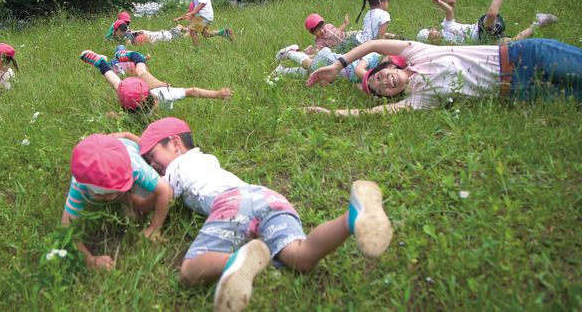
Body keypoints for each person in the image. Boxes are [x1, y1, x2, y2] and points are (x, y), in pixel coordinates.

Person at [138, 117, 393, 311]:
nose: (153, 167)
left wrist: (141, 209)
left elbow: (163, 195)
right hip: (265, 195)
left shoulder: (176, 167)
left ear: (175, 144)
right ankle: (352, 218)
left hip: (232, 203)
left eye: (152, 157)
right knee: (299, 256)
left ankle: (234, 261)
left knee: (189, 270)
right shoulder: (204, 159)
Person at [304, 38, 582, 116]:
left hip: (527, 55)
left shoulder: (420, 52)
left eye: (382, 77)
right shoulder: (420, 99)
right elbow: (369, 114)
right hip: (523, 92)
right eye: (381, 90)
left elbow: (372, 45)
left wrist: (337, 65)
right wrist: (331, 112)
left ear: (391, 67)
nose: (385, 83)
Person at [61, 133, 172, 270]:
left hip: (127, 150)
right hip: (110, 156)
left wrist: (155, 227)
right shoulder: (79, 184)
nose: (107, 199)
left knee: (135, 215)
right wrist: (90, 260)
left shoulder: (135, 168)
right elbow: (67, 227)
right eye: (100, 195)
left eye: (112, 193)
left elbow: (165, 190)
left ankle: (128, 199)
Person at [417, 0, 558, 44]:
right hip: (484, 42)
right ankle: (539, 22)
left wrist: (440, 2)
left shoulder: (446, 26)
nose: (433, 31)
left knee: (491, 15)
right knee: (513, 42)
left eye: (430, 29)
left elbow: (450, 11)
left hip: (479, 29)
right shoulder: (444, 47)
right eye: (430, 34)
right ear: (431, 40)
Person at [79, 50, 232, 114]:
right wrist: (216, 94)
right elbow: (191, 91)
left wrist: (217, 94)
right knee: (126, 79)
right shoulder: (160, 96)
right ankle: (101, 62)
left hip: (153, 88)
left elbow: (192, 91)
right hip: (155, 88)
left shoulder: (162, 96)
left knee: (139, 72)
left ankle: (128, 55)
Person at [268, 43, 402, 90]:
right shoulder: (373, 56)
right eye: (390, 61)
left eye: (394, 66)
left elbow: (356, 84)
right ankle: (290, 53)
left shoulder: (377, 76)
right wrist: (371, 80)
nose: (390, 66)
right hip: (331, 61)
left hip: (336, 74)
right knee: (309, 66)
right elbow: (358, 69)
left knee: (309, 75)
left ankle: (282, 71)